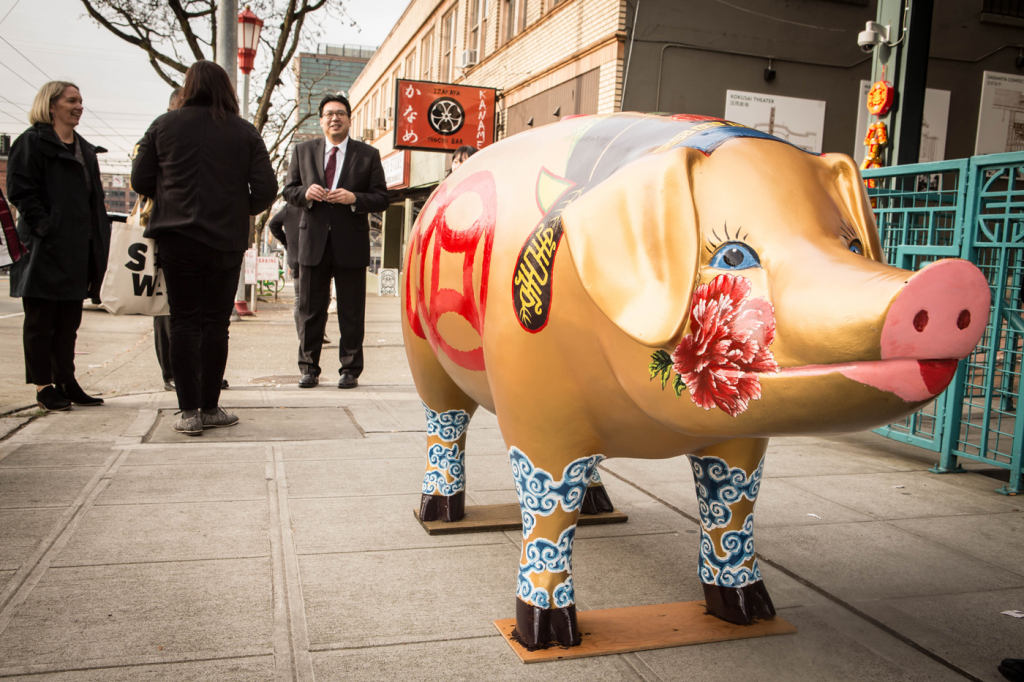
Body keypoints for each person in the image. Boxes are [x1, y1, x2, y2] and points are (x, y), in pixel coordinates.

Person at [131, 61, 276, 435]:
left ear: (188, 87)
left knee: (183, 321)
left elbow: (140, 178)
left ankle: (188, 411)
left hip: (176, 237)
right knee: (216, 323)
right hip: (224, 242)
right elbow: (265, 189)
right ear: (226, 90)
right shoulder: (245, 133)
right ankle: (211, 406)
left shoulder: (163, 125)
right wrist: (234, 208)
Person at [6, 81, 110, 412]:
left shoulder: (84, 149)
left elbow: (95, 201)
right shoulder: (32, 143)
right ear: (51, 106)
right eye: (71, 101)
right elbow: (21, 191)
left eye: (81, 100)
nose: (79, 106)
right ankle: (43, 386)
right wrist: (46, 227)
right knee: (40, 322)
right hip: (43, 248)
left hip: (79, 248)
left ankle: (66, 380)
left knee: (69, 322)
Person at [282, 94, 388, 389]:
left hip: (350, 245)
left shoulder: (367, 154)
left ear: (349, 119)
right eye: (329, 114)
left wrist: (354, 198)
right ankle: (308, 368)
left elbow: (382, 198)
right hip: (313, 243)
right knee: (310, 310)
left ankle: (350, 370)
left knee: (351, 311)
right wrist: (305, 193)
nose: (335, 118)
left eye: (340, 113)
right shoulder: (303, 151)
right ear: (321, 120)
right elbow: (288, 191)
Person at [266, 203, 307, 340]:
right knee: (320, 298)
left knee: (298, 299)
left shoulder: (289, 208)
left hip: (295, 257)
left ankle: (302, 335)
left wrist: (287, 242)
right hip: (315, 258)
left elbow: (273, 224)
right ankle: (315, 332)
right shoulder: (315, 204)